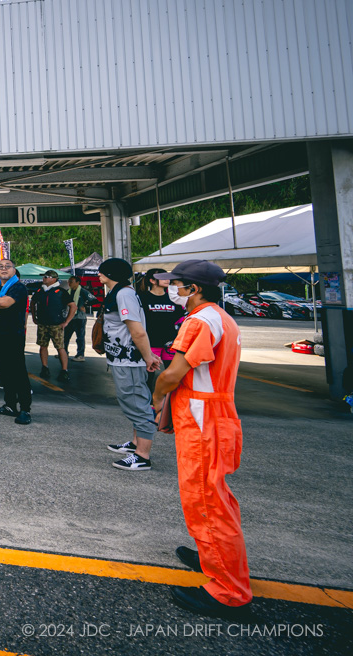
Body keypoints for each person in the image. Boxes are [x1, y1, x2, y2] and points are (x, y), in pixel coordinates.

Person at [151, 260, 251, 617]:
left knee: (206, 501)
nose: (171, 289)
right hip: (216, 415)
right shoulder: (221, 318)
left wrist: (157, 397)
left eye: (175, 284)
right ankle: (212, 555)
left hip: (202, 420)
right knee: (214, 497)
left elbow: (173, 374)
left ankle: (229, 592)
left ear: (193, 289)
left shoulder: (198, 321)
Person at [98, 258, 161, 469]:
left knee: (136, 403)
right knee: (133, 401)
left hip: (129, 360)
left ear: (112, 274)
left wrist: (148, 356)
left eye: (102, 271)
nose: (99, 274)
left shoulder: (124, 294)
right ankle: (135, 444)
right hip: (122, 358)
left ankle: (142, 456)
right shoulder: (119, 292)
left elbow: (137, 331)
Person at [0, 259, 33, 424]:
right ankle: (10, 405)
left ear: (14, 270)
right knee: (3, 372)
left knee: (18, 372)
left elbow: (4, 303)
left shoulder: (18, 287)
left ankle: (25, 409)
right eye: (0, 267)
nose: (4, 269)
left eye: (7, 266)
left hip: (13, 335)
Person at [31, 270, 73, 382]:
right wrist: (34, 317)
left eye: (46, 277)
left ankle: (64, 370)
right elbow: (32, 302)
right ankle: (45, 367)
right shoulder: (40, 291)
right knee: (43, 346)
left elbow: (73, 306)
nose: (44, 279)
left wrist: (66, 321)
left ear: (54, 279)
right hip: (43, 323)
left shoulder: (61, 292)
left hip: (56, 324)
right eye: (44, 277)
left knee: (60, 347)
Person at [140, 272, 180, 387]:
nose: (167, 280)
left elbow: (179, 318)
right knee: (148, 375)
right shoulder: (142, 298)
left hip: (170, 343)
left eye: (168, 277)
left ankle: (169, 398)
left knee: (172, 375)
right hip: (150, 343)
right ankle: (148, 397)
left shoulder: (173, 299)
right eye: (163, 278)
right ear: (152, 281)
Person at [65, 276, 93, 362]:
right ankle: (64, 352)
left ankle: (80, 354)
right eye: (69, 281)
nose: (69, 283)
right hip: (69, 317)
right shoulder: (67, 292)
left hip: (80, 318)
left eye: (71, 281)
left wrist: (84, 306)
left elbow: (93, 300)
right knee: (65, 336)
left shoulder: (83, 292)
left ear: (77, 282)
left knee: (80, 337)